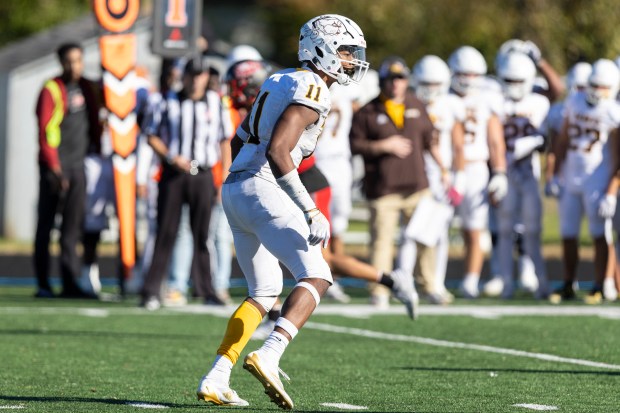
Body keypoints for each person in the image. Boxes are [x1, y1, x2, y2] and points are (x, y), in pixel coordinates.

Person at [196, 14, 369, 409]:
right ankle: (269, 354)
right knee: (318, 275)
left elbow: (239, 141)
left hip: (236, 187)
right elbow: (277, 150)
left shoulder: (278, 79)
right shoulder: (313, 87)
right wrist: (308, 208)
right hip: (260, 184)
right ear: (321, 50)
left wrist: (249, 186)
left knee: (263, 291)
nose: (350, 60)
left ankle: (217, 375)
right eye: (344, 52)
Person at [349, 56, 446, 307]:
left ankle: (430, 285)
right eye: (391, 79)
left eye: (400, 78)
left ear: (407, 81)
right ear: (383, 82)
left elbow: (430, 139)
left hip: (417, 186)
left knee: (426, 239)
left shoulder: (417, 104)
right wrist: (382, 145)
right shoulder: (368, 111)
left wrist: (444, 168)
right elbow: (354, 144)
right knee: (382, 242)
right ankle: (380, 290)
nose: (396, 84)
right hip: (384, 189)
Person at [140, 56, 230, 309]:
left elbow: (224, 139)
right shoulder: (167, 100)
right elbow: (151, 135)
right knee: (165, 233)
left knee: (203, 235)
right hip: (174, 174)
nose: (196, 79)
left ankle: (206, 290)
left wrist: (225, 175)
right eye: (192, 74)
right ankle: (150, 291)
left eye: (201, 75)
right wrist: (170, 156)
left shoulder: (215, 101)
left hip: (203, 174)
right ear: (185, 76)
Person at [545, 59, 620, 304]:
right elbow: (563, 139)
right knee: (568, 233)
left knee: (599, 234)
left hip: (596, 179)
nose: (597, 91)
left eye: (602, 86)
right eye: (594, 85)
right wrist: (555, 173)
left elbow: (619, 156)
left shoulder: (613, 112)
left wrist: (611, 190)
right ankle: (568, 282)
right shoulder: (575, 101)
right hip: (571, 176)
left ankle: (599, 285)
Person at [33, 42, 102, 298]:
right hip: (55, 169)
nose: (74, 66)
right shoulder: (51, 89)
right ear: (61, 62)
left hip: (78, 167)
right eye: (69, 61)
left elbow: (96, 122)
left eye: (78, 60)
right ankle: (43, 284)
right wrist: (54, 168)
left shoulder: (89, 87)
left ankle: (70, 283)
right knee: (46, 226)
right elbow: (45, 132)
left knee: (72, 230)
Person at [399, 54, 466, 304]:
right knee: (410, 233)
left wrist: (459, 178)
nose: (430, 90)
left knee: (438, 234)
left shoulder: (450, 105)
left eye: (435, 84)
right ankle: (403, 281)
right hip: (414, 175)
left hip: (441, 178)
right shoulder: (407, 103)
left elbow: (458, 146)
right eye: (426, 84)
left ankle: (435, 283)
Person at [446, 45, 508, 298]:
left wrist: (500, 171)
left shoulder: (487, 99)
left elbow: (495, 140)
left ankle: (470, 280)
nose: (469, 80)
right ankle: (434, 279)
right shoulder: (444, 97)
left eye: (474, 74)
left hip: (476, 170)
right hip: (447, 170)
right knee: (439, 228)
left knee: (474, 228)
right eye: (464, 74)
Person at [488, 52, 550, 298]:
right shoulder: (493, 101)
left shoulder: (539, 102)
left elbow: (547, 140)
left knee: (533, 229)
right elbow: (493, 138)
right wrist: (499, 171)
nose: (513, 86)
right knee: (504, 229)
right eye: (509, 80)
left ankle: (541, 281)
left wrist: (536, 141)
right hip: (504, 172)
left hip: (528, 173)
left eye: (518, 81)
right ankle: (506, 282)